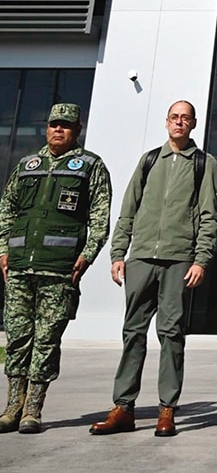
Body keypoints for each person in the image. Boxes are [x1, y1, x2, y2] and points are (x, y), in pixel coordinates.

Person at [89, 100, 217, 438]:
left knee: (172, 334)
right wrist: (119, 253)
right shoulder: (149, 160)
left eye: (185, 118)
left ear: (193, 124)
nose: (179, 123)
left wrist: (200, 260)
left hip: (179, 260)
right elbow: (128, 209)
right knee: (132, 333)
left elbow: (209, 217)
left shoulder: (205, 164)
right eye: (174, 117)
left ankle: (167, 410)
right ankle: (123, 407)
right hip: (141, 257)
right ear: (166, 122)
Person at [0, 103, 112, 434]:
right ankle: (12, 406)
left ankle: (33, 408)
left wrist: (87, 255)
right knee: (18, 337)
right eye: (53, 124)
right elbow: (7, 208)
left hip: (59, 270)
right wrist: (3, 249)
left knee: (46, 340)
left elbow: (100, 217)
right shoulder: (27, 165)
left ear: (77, 130)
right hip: (20, 267)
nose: (58, 130)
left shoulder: (89, 166)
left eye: (65, 125)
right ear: (46, 128)